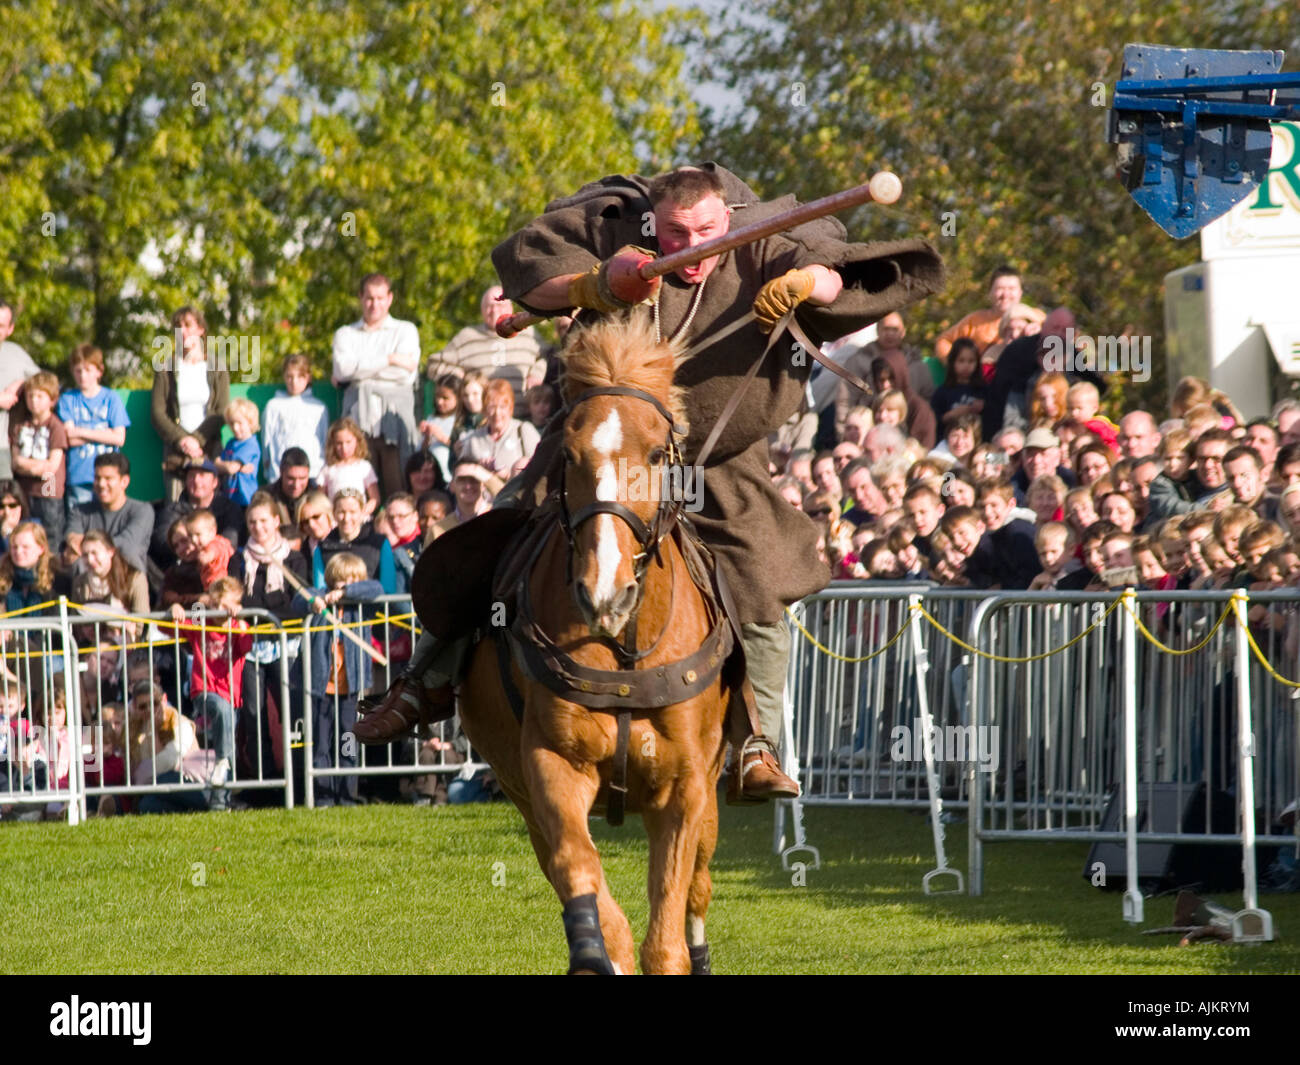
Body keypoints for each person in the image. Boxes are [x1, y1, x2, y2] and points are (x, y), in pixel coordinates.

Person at [355, 162, 945, 801]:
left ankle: (757, 744)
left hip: (715, 462)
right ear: (653, 224)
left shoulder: (766, 238)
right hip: (604, 444)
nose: (692, 248)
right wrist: (594, 283)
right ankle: (423, 676)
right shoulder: (612, 228)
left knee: (763, 575)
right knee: (502, 527)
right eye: (675, 234)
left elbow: (841, 270)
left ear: (726, 218)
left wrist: (808, 284)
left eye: (706, 231)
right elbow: (532, 281)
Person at [230, 493, 312, 785]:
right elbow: (232, 598)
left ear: (276, 521)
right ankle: (263, 781)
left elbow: (296, 606)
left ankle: (300, 778)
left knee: (293, 711)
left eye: (264, 520)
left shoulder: (295, 559)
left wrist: (255, 613)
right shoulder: (238, 560)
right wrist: (259, 613)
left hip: (285, 645)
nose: (258, 527)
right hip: (251, 648)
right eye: (252, 522)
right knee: (254, 713)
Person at [302, 552, 384, 806]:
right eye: (340, 579)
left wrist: (347, 592)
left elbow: (376, 588)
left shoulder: (360, 604)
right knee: (321, 744)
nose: (344, 582)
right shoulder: (321, 596)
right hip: (321, 687)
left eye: (351, 578)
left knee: (348, 740)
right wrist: (316, 601)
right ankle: (324, 796)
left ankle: (348, 795)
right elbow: (299, 598)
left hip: (350, 688)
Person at [331, 273, 420, 499]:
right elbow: (342, 370)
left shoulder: (405, 330)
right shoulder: (345, 333)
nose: (375, 304)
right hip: (357, 425)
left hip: (393, 423)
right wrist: (390, 358)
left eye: (380, 298)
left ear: (390, 298)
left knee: (397, 489)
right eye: (370, 298)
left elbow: (404, 375)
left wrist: (358, 373)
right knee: (357, 491)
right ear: (361, 297)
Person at [170, 576, 252, 810]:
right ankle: (224, 764)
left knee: (225, 741)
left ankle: (219, 801)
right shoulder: (200, 618)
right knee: (222, 721)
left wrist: (240, 622)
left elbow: (246, 647)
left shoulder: (237, 625)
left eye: (225, 606)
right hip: (204, 690)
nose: (218, 610)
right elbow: (169, 625)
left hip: (230, 694)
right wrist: (175, 609)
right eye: (215, 604)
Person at [150, 306, 231, 502]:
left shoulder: (217, 367)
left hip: (209, 450)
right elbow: (157, 413)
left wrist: (197, 439)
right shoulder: (165, 368)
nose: (183, 331)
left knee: (211, 512)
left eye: (188, 325)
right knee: (176, 513)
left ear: (201, 329)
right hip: (176, 455)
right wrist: (183, 441)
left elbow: (221, 411)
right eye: (178, 326)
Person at [426, 285, 543, 419]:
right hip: (481, 423)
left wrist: (537, 373)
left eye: (499, 305)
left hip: (524, 418)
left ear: (510, 308)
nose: (494, 310)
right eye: (489, 306)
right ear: (482, 311)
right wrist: (457, 376)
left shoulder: (527, 333)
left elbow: (546, 356)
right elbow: (433, 364)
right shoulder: (467, 336)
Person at [57, 343, 129, 513]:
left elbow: (119, 438)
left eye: (88, 370)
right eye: (78, 370)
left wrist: (81, 430)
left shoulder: (111, 398)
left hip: (110, 477)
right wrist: (105, 432)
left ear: (99, 371)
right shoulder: (67, 399)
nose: (83, 376)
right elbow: (69, 438)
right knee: (80, 526)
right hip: (78, 476)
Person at [64, 453, 154, 572]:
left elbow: (127, 545)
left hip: (126, 582)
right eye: (97, 478)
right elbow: (73, 541)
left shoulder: (142, 511)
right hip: (89, 583)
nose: (101, 484)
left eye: (108, 478)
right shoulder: (79, 511)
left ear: (124, 481)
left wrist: (88, 549)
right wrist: (74, 544)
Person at [150, 460, 244, 575]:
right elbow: (161, 539)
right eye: (191, 476)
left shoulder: (229, 508)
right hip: (182, 572)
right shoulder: (173, 510)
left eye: (202, 475)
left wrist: (206, 552)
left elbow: (230, 540)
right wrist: (188, 549)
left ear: (215, 482)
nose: (196, 481)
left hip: (218, 570)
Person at [9, 372, 68, 550]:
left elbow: (51, 466)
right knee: (24, 537)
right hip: (24, 492)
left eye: (40, 396)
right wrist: (36, 467)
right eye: (30, 396)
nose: (34, 400)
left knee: (50, 539)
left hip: (48, 492)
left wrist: (26, 465)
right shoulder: (20, 425)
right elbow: (15, 462)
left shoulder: (55, 426)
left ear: (52, 399)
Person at [934, 266, 1035, 362]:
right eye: (1000, 288)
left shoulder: (1037, 318)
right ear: (990, 292)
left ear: (1020, 292)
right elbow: (943, 341)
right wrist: (955, 365)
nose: (1005, 294)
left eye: (1011, 289)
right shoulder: (974, 320)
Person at [313, 487, 396, 593]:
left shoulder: (378, 544)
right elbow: (320, 589)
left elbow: (388, 588)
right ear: (333, 513)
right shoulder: (323, 548)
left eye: (352, 512)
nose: (347, 518)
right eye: (341, 512)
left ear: (362, 513)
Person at [261, 353, 328, 482]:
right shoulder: (274, 405)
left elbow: (324, 440)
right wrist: (268, 467)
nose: (294, 382)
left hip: (313, 473)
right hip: (281, 473)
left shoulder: (319, 407)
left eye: (300, 377)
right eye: (289, 377)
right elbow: (267, 439)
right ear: (284, 377)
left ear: (308, 377)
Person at [454, 379, 539, 477]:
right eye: (491, 407)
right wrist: (479, 469)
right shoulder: (473, 440)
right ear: (484, 410)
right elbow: (462, 477)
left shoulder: (523, 430)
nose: (497, 413)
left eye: (502, 407)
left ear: (511, 408)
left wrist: (507, 475)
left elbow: (539, 468)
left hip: (515, 491)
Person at [0, 299, 40, 480]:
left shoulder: (15, 353)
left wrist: (21, 383)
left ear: (10, 329)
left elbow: (45, 382)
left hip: (3, 447)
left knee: (5, 500)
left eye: (1, 325)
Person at [0, 521, 65, 614]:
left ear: (41, 549)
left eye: (25, 547)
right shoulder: (2, 578)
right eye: (14, 547)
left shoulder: (58, 580)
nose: (18, 552)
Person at [321, 417, 381, 516]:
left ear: (357, 441)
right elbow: (320, 500)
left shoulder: (364, 467)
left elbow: (375, 498)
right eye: (339, 443)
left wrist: (361, 514)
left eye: (348, 442)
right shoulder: (328, 469)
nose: (344, 448)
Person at [419, 373, 466, 484]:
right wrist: (426, 436)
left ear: (458, 398)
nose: (440, 402)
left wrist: (442, 437)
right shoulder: (432, 418)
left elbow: (462, 449)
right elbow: (422, 451)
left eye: (445, 398)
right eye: (437, 397)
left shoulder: (459, 422)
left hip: (448, 476)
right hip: (430, 474)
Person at [216, 398, 262, 506]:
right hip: (227, 497)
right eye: (232, 423)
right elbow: (217, 465)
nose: (235, 428)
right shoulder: (230, 443)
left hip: (244, 499)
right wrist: (222, 465)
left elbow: (230, 468)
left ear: (250, 422)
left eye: (240, 423)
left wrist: (224, 465)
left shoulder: (251, 445)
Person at [266, 447, 316, 528]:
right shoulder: (266, 497)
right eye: (291, 478)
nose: (296, 485)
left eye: (302, 478)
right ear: (281, 472)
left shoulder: (317, 495)